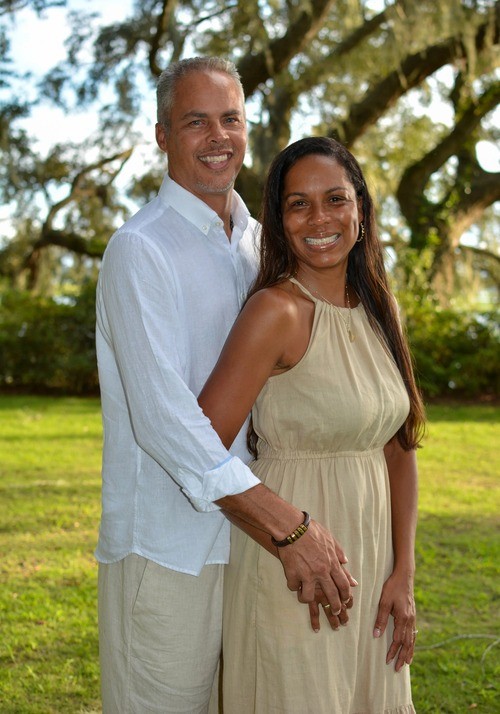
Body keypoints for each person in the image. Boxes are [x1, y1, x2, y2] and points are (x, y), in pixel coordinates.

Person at [95, 59, 355, 714]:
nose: (218, 137)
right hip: (168, 550)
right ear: (162, 135)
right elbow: (163, 419)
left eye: (230, 119)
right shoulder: (140, 249)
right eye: (196, 122)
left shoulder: (262, 245)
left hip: (253, 554)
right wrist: (287, 525)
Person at [198, 136, 426, 713]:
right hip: (291, 571)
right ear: (279, 221)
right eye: (298, 204)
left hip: (373, 571)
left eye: (335, 199)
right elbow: (199, 450)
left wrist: (403, 572)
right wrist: (289, 537)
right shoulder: (274, 311)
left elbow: (398, 449)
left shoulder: (381, 309)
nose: (320, 218)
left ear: (361, 210)